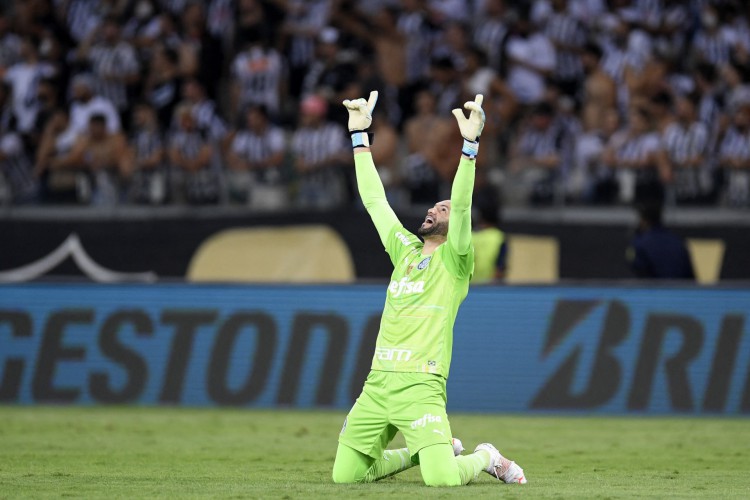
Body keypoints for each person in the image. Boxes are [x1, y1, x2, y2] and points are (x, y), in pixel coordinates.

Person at [332, 91, 526, 487]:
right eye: (433, 206)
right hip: (378, 381)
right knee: (346, 476)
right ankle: (424, 452)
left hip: (421, 384)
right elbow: (374, 201)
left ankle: (486, 456)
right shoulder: (404, 249)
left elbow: (462, 205)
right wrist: (359, 137)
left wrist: (469, 147)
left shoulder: (456, 260)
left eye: (442, 208)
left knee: (442, 481)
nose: (433, 210)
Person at [627, 201, 695, 280]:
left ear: (644, 221)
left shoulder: (639, 243)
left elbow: (638, 268)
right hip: (681, 286)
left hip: (656, 286)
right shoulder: (677, 241)